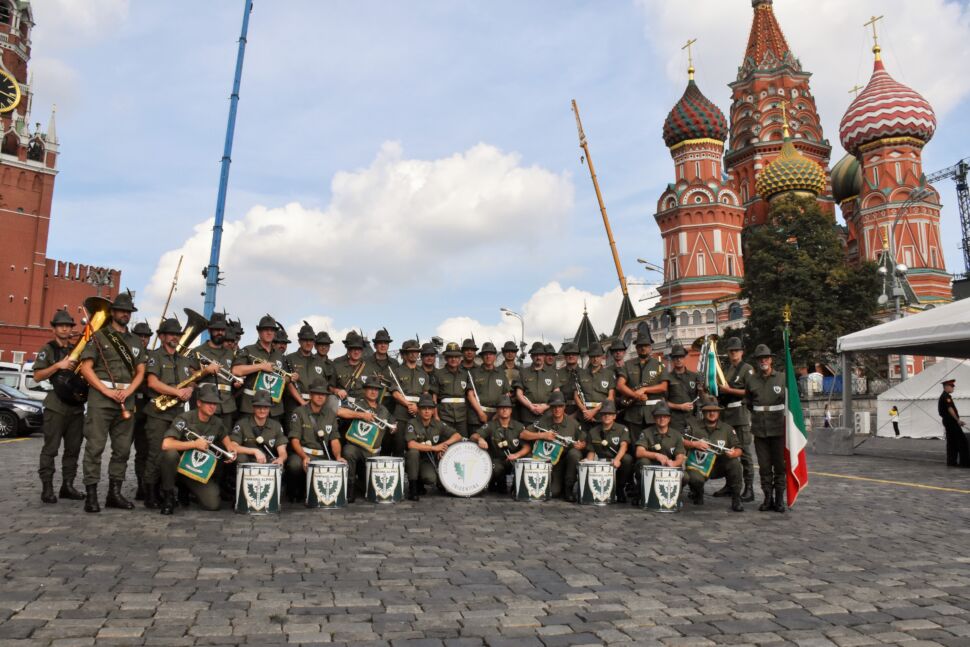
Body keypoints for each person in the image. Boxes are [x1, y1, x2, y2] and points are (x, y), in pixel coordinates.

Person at [77, 290, 146, 513]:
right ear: (113, 312)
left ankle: (114, 494)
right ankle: (91, 495)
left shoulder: (136, 341)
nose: (125, 314)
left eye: (128, 312)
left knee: (123, 450)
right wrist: (107, 391)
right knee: (95, 447)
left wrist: (128, 392)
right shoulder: (99, 336)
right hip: (101, 400)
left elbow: (141, 371)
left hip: (126, 401)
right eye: (121, 311)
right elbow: (86, 369)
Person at [143, 317, 211, 509]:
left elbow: (192, 379)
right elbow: (152, 383)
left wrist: (189, 388)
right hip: (158, 412)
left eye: (177, 334)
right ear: (162, 336)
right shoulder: (156, 356)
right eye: (171, 334)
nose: (175, 337)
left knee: (177, 454)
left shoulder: (183, 359)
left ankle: (169, 492)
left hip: (178, 414)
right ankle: (150, 494)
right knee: (156, 454)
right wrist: (176, 392)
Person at [32, 308, 86, 504]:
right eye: (61, 325)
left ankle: (67, 486)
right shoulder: (48, 349)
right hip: (56, 406)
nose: (65, 329)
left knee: (73, 449)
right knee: (51, 449)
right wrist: (57, 366)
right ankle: (47, 488)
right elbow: (37, 376)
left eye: (68, 325)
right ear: (54, 329)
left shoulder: (76, 350)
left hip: (76, 406)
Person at [158, 383, 235, 514]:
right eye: (208, 402)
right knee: (170, 454)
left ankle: (188, 489)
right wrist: (194, 444)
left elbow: (228, 441)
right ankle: (168, 495)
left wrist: (231, 451)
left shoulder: (217, 422)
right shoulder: (185, 418)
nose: (212, 406)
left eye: (215, 403)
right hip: (178, 466)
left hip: (196, 470)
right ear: (199, 403)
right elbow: (166, 444)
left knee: (213, 504)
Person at [744, 344, 788, 512]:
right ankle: (767, 497)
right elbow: (749, 404)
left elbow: (790, 403)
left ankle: (779, 499)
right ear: (757, 362)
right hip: (760, 430)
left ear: (771, 360)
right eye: (760, 359)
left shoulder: (782, 378)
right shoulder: (751, 380)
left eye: (766, 358)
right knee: (764, 467)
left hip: (778, 429)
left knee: (779, 466)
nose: (763, 361)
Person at [285, 378, 343, 501]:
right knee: (294, 465)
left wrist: (338, 457)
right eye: (317, 393)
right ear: (311, 395)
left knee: (340, 465)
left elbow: (334, 439)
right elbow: (294, 440)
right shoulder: (299, 412)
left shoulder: (330, 413)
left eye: (323, 394)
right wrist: (304, 457)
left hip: (322, 455)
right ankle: (295, 491)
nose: (320, 397)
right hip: (303, 453)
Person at [337, 379, 394, 501]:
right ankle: (349, 490)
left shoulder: (383, 409)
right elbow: (340, 411)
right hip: (356, 448)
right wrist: (362, 415)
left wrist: (394, 427)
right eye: (370, 389)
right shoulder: (357, 404)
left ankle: (363, 485)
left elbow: (392, 422)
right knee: (348, 451)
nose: (373, 391)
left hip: (373, 451)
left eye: (376, 389)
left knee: (372, 489)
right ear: (364, 390)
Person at [521, 392, 585, 501]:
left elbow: (584, 441)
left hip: (564, 462)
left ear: (564, 407)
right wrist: (542, 435)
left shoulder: (573, 424)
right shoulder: (544, 420)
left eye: (560, 406)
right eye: (554, 407)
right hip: (547, 462)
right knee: (553, 492)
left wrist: (582, 445)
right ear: (550, 407)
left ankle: (568, 489)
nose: (557, 409)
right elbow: (523, 434)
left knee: (574, 454)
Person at [684, 399, 745, 512]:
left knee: (735, 464)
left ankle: (736, 499)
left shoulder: (727, 429)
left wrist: (734, 453)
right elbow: (681, 441)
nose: (712, 413)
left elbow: (739, 448)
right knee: (694, 478)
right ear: (703, 412)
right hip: (699, 464)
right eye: (708, 411)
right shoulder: (693, 426)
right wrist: (694, 443)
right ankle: (697, 492)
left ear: (719, 412)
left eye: (715, 411)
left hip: (719, 466)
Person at [715, 336, 755, 502]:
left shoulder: (747, 369)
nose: (734, 353)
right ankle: (730, 485)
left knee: (744, 453)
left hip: (740, 414)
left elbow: (750, 391)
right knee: (727, 452)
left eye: (736, 350)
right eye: (731, 351)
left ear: (742, 352)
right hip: (727, 415)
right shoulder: (727, 370)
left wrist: (728, 390)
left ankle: (749, 488)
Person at [232, 315, 293, 422]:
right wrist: (261, 366)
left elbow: (285, 377)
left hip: (274, 408)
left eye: (272, 330)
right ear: (259, 332)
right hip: (251, 406)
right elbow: (236, 371)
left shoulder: (279, 355)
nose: (269, 333)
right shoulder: (248, 350)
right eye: (266, 330)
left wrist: (289, 378)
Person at [615, 324, 668, 443]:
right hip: (634, 412)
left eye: (646, 346)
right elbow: (620, 385)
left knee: (655, 444)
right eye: (640, 346)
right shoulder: (628, 365)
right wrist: (636, 395)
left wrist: (645, 390)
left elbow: (663, 387)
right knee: (635, 444)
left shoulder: (659, 365)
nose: (643, 348)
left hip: (654, 413)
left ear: (650, 347)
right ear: (636, 348)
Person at [404, 393, 462, 500]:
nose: (427, 411)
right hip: (414, 459)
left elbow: (457, 436)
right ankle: (413, 489)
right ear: (419, 409)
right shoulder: (412, 423)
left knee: (430, 478)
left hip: (428, 460)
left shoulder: (438, 424)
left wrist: (444, 445)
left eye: (430, 408)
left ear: (433, 410)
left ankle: (421, 482)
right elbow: (411, 444)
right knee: (413, 452)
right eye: (423, 408)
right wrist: (434, 448)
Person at [470, 394, 529, 493]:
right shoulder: (490, 425)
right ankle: (496, 482)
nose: (504, 410)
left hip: (514, 460)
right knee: (495, 470)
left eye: (507, 408)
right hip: (497, 461)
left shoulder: (519, 426)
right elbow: (473, 436)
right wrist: (480, 439)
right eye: (501, 408)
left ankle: (516, 485)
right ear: (497, 410)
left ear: (511, 410)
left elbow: (527, 447)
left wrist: (516, 455)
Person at [634, 402, 686, 505]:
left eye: (665, 416)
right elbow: (639, 452)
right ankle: (642, 493)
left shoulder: (677, 435)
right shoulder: (646, 432)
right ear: (654, 418)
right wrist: (656, 455)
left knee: (685, 476)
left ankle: (674, 495)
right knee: (643, 462)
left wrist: (674, 464)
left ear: (669, 418)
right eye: (659, 416)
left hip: (668, 467)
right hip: (652, 466)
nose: (662, 419)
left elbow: (680, 456)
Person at [584, 400, 633, 503]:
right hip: (601, 464)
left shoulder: (622, 429)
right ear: (601, 416)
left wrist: (617, 459)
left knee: (627, 459)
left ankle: (620, 488)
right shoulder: (593, 431)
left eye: (610, 414)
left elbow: (624, 446)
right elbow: (591, 452)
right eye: (604, 414)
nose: (607, 416)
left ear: (614, 416)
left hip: (616, 462)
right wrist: (588, 462)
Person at [229, 389, 288, 465]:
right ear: (253, 407)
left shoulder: (276, 426)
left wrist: (281, 459)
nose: (262, 410)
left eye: (266, 407)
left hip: (268, 462)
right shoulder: (242, 424)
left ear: (269, 408)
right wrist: (254, 451)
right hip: (247, 463)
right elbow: (233, 447)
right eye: (259, 407)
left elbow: (282, 451)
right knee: (240, 458)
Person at [130, 321, 154, 500]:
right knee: (121, 451)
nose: (143, 339)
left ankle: (141, 485)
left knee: (143, 451)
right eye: (140, 336)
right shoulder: (126, 355)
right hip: (127, 407)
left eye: (146, 336)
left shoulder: (152, 356)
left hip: (144, 411)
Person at [514, 341, 560, 425]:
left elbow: (557, 394)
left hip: (548, 416)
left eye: (540, 354)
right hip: (528, 417)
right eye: (535, 355)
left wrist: (545, 407)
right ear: (531, 357)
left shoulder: (552, 373)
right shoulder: (523, 372)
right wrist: (531, 407)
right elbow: (519, 394)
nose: (538, 357)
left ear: (544, 356)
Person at [467, 342, 509, 427]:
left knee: (496, 440)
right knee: (475, 439)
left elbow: (506, 394)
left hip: (497, 415)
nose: (488, 356)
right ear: (482, 357)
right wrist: (480, 413)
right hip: (477, 415)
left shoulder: (501, 373)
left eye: (491, 354)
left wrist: (498, 414)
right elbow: (470, 395)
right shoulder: (473, 373)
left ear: (494, 357)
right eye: (485, 354)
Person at [575, 344, 615, 430]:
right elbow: (576, 395)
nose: (595, 359)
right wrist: (586, 412)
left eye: (598, 356)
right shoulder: (581, 374)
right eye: (592, 356)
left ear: (602, 357)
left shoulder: (609, 374)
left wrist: (593, 411)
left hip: (602, 415)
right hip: (584, 415)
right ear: (589, 357)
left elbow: (611, 397)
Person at [435, 342, 472, 437]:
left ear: (460, 358)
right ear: (446, 358)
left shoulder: (465, 374)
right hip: (444, 415)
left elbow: (470, 395)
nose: (453, 359)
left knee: (463, 443)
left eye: (456, 357)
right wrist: (435, 415)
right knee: (445, 443)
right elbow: (434, 397)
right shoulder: (438, 374)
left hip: (462, 416)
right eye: (450, 356)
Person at [665, 344, 699, 433]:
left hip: (692, 419)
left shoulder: (694, 376)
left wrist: (702, 390)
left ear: (685, 358)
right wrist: (680, 407)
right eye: (675, 357)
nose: (678, 359)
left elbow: (700, 398)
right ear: (672, 359)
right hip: (674, 420)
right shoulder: (667, 378)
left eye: (681, 357)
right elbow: (663, 402)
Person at [939, 379, 969, 467]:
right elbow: (950, 409)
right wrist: (957, 420)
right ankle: (965, 463)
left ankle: (951, 462)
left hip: (948, 421)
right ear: (946, 387)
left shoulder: (944, 396)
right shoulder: (946, 396)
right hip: (951, 421)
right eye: (952, 386)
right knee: (962, 441)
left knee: (952, 442)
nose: (953, 388)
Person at [557, 342, 582, 418]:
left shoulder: (585, 373)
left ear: (578, 356)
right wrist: (563, 414)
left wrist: (576, 414)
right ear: (564, 356)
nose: (571, 356)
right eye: (568, 354)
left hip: (580, 413)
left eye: (573, 354)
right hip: (561, 412)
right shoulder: (557, 374)